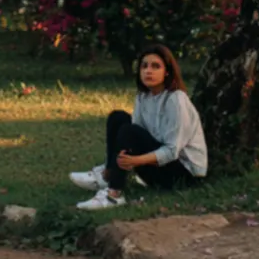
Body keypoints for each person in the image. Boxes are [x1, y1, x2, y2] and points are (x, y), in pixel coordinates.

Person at [69, 42, 207, 210]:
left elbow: (172, 151)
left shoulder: (176, 100)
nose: (148, 71)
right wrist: (129, 158)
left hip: (183, 175)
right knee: (118, 118)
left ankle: (114, 194)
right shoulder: (143, 97)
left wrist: (136, 161)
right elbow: (136, 135)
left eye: (156, 66)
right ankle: (108, 174)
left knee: (129, 131)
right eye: (144, 66)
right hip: (157, 166)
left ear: (167, 72)